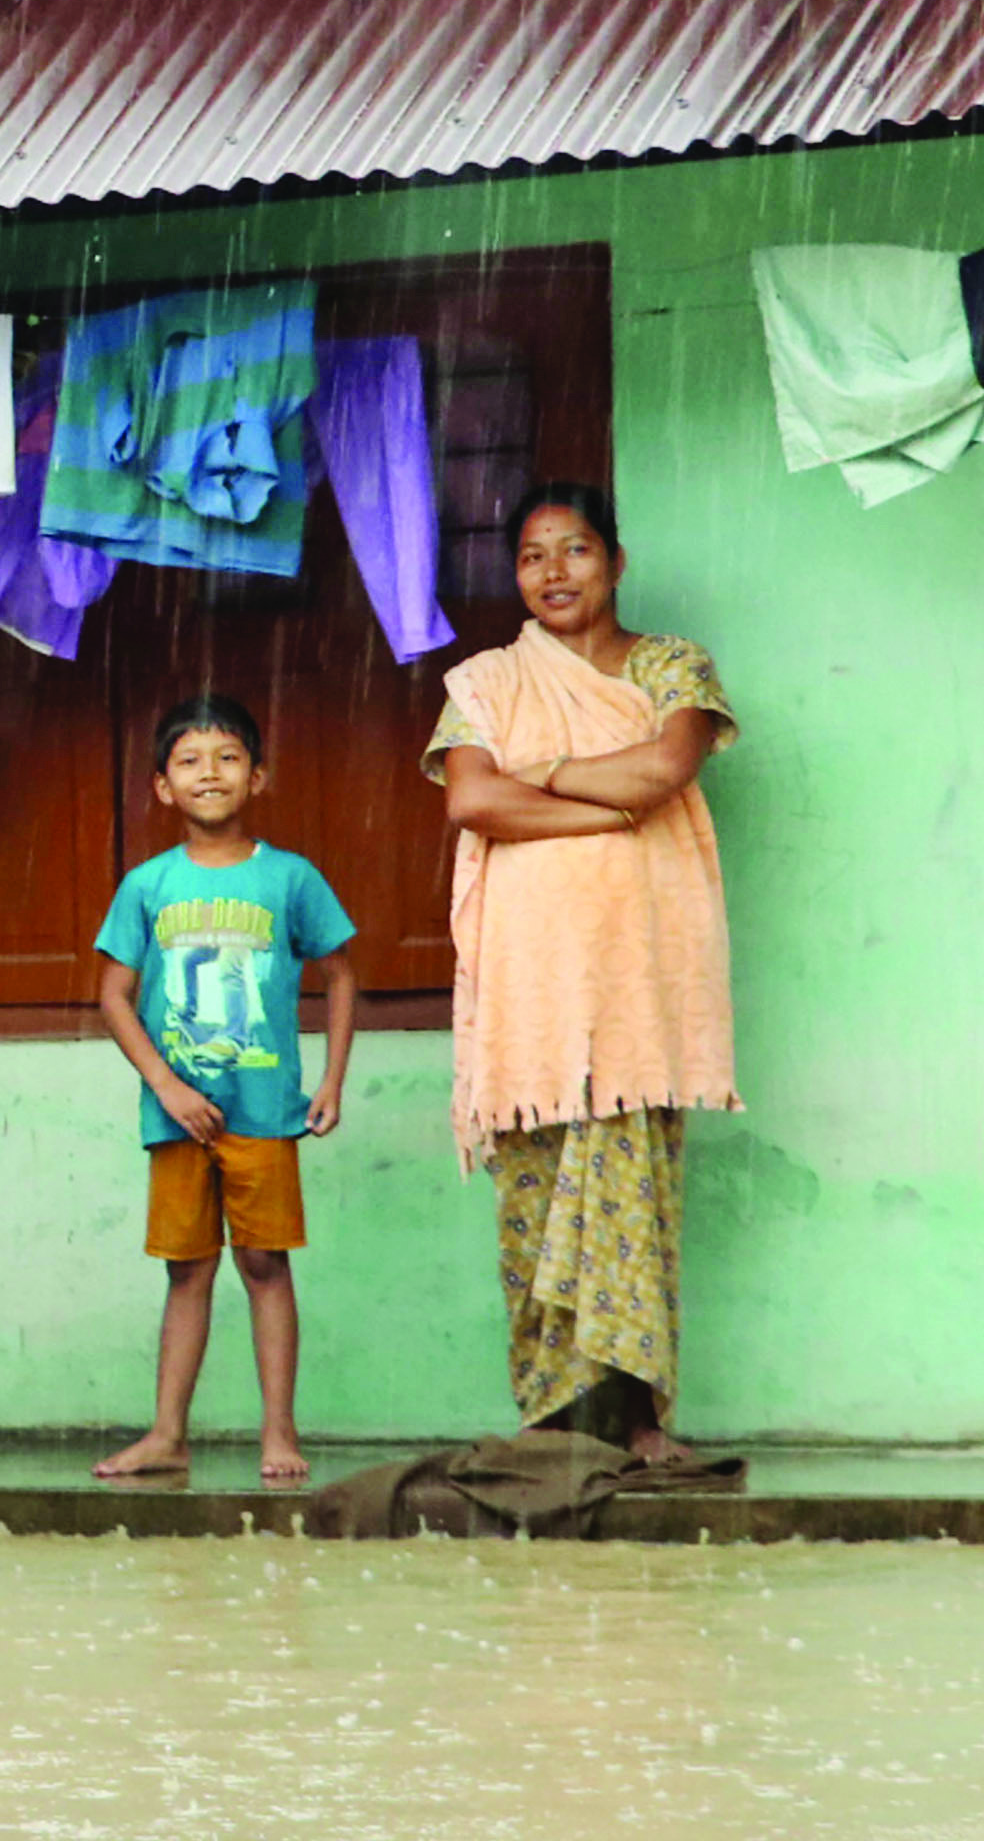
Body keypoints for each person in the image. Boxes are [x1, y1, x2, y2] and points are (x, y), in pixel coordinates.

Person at [425, 482, 739, 1461]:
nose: (554, 572)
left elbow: (665, 770)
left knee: (632, 1195)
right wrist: (603, 802)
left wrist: (549, 773)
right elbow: (472, 799)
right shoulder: (485, 680)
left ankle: (639, 1421)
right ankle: (549, 1420)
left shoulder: (670, 665)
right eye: (532, 555)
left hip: (637, 980)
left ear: (616, 558)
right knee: (535, 1195)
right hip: (531, 989)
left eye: (575, 549)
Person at [89, 692, 361, 1488]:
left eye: (229, 756)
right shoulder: (148, 884)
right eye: (189, 760)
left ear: (259, 775)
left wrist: (332, 1078)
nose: (210, 772)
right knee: (187, 1270)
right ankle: (167, 1434)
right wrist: (166, 1085)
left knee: (267, 1265)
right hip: (179, 1119)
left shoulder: (290, 876)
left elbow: (341, 974)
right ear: (162, 788)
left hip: (266, 1112)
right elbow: (112, 994)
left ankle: (279, 1429)